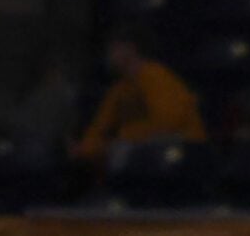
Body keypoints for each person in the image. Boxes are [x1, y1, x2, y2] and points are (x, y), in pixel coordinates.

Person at [72, 25, 205, 165]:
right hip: (143, 147)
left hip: (182, 148)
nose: (109, 55)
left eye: (114, 48)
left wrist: (125, 135)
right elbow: (100, 127)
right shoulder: (119, 89)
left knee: (122, 150)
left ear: (130, 49)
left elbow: (168, 122)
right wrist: (84, 149)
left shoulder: (155, 76)